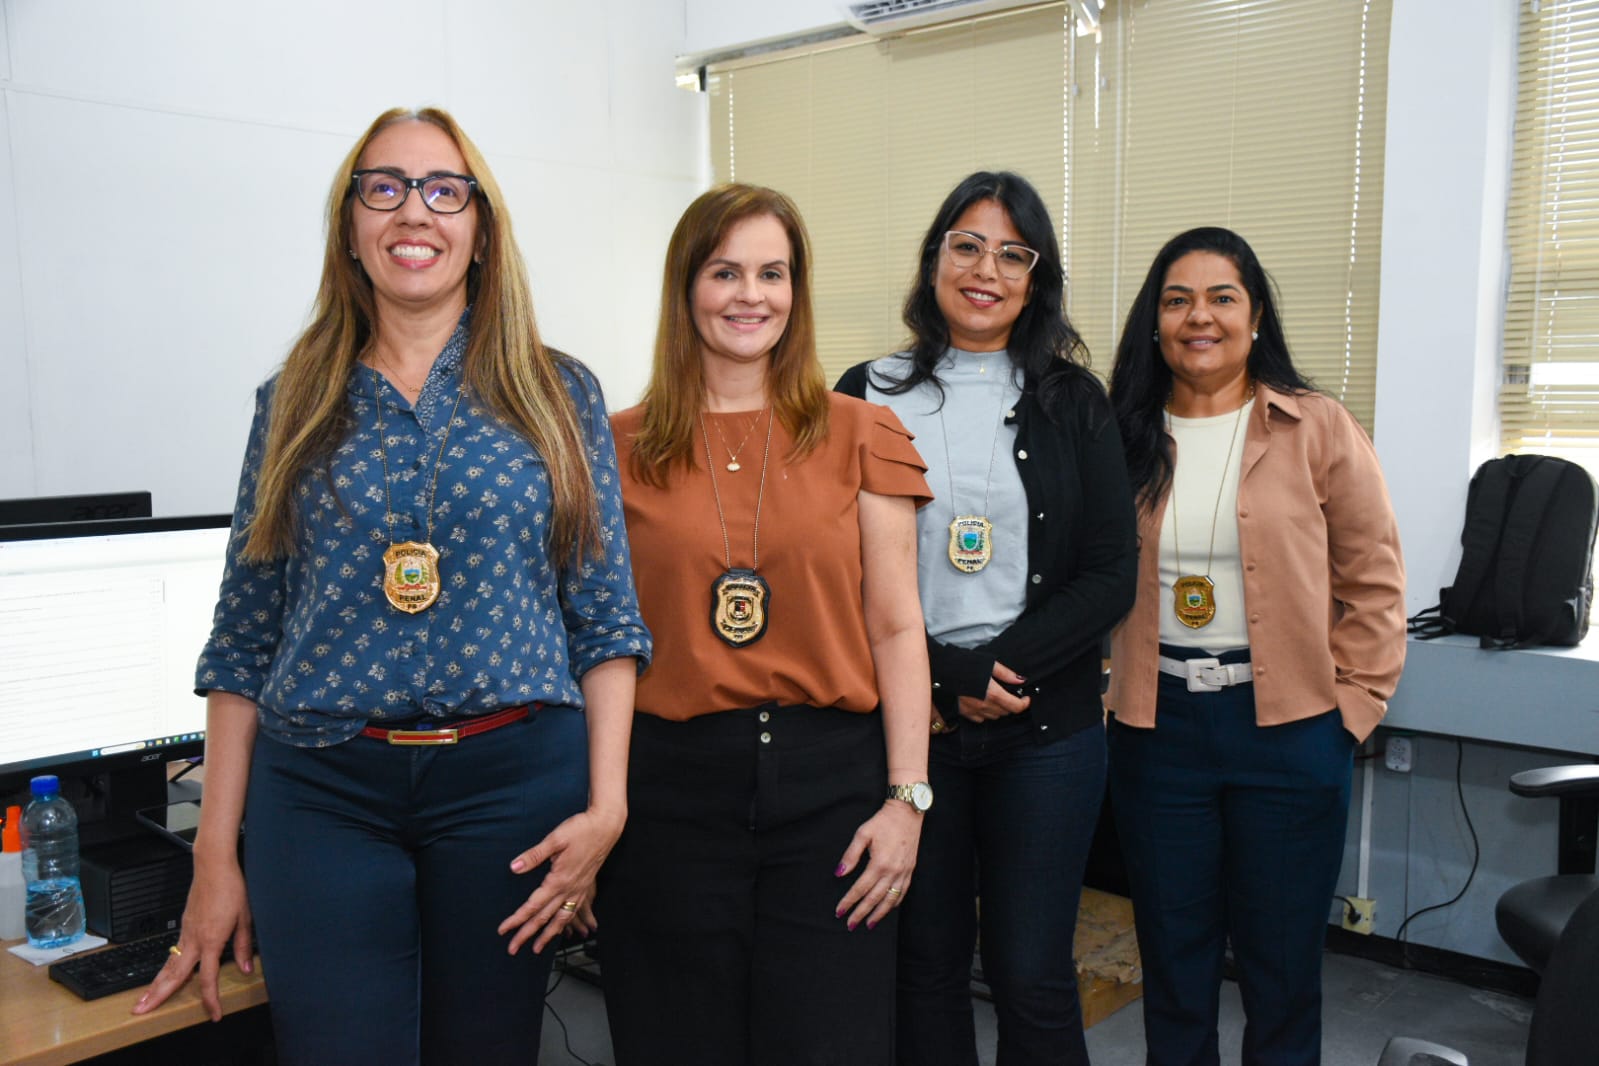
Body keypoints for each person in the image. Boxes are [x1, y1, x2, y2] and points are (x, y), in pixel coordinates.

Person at [134, 107, 650, 1066]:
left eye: (444, 190)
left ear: (481, 231)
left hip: (509, 790)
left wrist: (607, 810)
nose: (414, 211)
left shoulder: (556, 392)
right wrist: (213, 857)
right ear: (350, 228)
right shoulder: (293, 398)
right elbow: (244, 637)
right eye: (384, 187)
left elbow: (605, 617)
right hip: (323, 793)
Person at [598, 183, 933, 1066]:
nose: (750, 295)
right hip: (667, 795)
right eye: (724, 272)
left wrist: (906, 800)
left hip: (831, 795)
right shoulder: (612, 446)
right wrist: (596, 806)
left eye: (772, 274)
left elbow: (897, 629)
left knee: (829, 1044)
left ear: (797, 290)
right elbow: (597, 644)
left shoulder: (862, 433)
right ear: (686, 288)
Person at [836, 170, 1139, 1066]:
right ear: (933, 259)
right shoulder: (863, 390)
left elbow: (1109, 574)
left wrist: (999, 669)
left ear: (1037, 279)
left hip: (1045, 734)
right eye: (966, 246)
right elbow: (835, 567)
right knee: (922, 965)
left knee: (1031, 971)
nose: (985, 271)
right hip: (910, 728)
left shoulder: (1074, 401)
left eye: (1013, 254)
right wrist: (947, 675)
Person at [1106, 226, 1405, 1066]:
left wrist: (1350, 712)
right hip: (1157, 730)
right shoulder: (1120, 434)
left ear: (1256, 314)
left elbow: (1374, 579)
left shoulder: (1315, 427)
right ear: (1154, 321)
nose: (1198, 317)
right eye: (1177, 300)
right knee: (1172, 960)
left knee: (1281, 967)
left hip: (1290, 731)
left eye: (1221, 297)